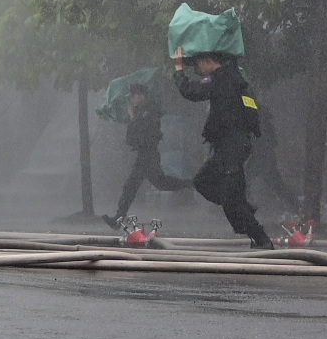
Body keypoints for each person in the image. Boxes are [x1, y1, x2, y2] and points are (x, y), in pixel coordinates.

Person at [171, 49, 273, 249]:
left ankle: (261, 238)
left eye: (199, 64)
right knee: (204, 183)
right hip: (235, 146)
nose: (199, 69)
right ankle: (244, 212)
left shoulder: (219, 79)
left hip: (230, 148)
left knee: (228, 199)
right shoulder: (236, 79)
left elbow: (190, 91)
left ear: (208, 60)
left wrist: (178, 68)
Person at [107, 85, 192, 226]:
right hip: (144, 155)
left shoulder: (149, 112)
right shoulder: (143, 111)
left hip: (148, 155)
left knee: (137, 185)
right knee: (157, 183)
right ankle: (190, 183)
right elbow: (131, 139)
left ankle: (118, 217)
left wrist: (133, 118)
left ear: (141, 96)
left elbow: (141, 134)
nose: (132, 99)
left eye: (134, 96)